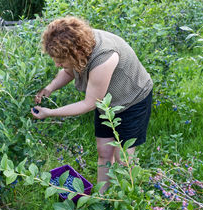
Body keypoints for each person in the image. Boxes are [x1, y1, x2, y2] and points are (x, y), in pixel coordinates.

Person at [31, 16, 153, 194]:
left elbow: (89, 104)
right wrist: (49, 88)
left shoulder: (104, 57)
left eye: (61, 59)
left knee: (123, 158)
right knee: (104, 152)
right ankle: (102, 197)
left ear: (75, 53)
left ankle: (130, 201)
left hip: (133, 99)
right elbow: (68, 71)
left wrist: (50, 112)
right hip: (107, 101)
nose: (57, 64)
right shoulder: (79, 47)